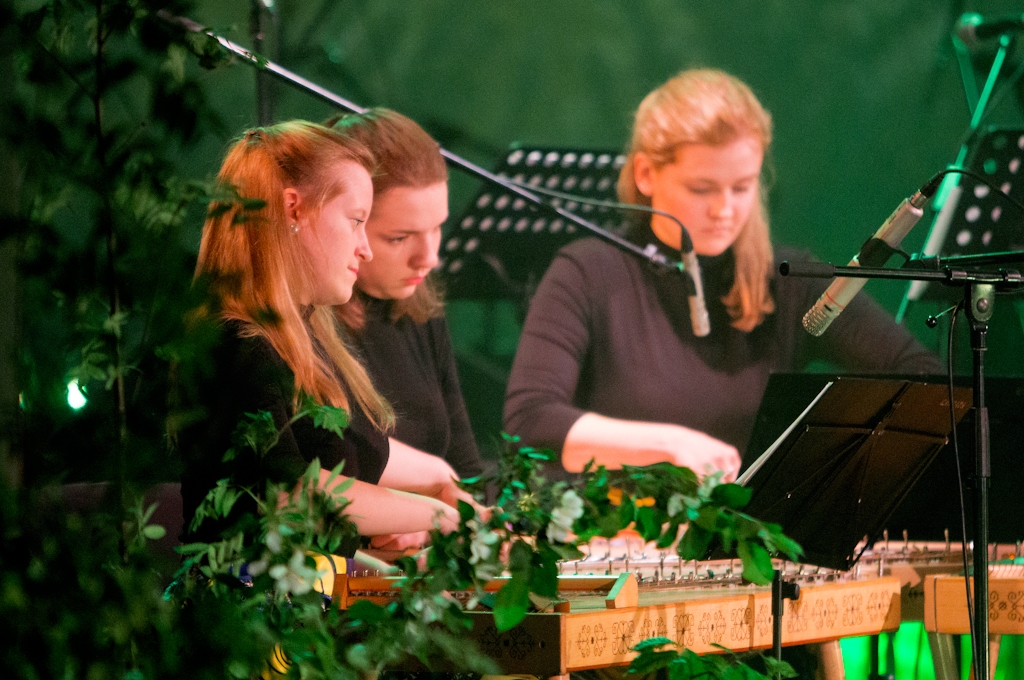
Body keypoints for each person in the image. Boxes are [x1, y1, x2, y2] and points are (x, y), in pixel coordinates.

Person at [503, 69, 941, 482]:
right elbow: (531, 422)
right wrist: (667, 445)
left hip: (749, 549)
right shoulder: (588, 271)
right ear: (645, 174)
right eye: (702, 188)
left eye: (742, 187)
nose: (724, 210)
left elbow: (926, 379)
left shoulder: (788, 280)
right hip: (620, 543)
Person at [178, 121, 473, 554]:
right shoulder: (237, 342)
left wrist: (438, 479)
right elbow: (292, 493)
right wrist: (437, 513)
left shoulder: (302, 335)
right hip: (242, 612)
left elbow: (360, 452)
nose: (364, 247)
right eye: (356, 221)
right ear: (294, 209)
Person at [329, 109, 484, 482]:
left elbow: (468, 470)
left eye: (437, 229)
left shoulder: (418, 306)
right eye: (399, 238)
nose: (429, 259)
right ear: (347, 224)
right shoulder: (306, 323)